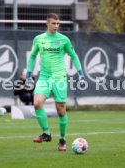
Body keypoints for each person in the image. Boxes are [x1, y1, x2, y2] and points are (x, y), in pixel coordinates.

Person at [25, 13, 85, 151]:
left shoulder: (64, 40)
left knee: (61, 111)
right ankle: (46, 133)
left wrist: (81, 74)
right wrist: (29, 76)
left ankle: (62, 139)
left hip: (59, 78)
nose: (56, 26)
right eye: (54, 23)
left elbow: (74, 57)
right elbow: (32, 57)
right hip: (44, 77)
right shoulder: (38, 39)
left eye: (58, 23)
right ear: (47, 23)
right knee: (37, 103)